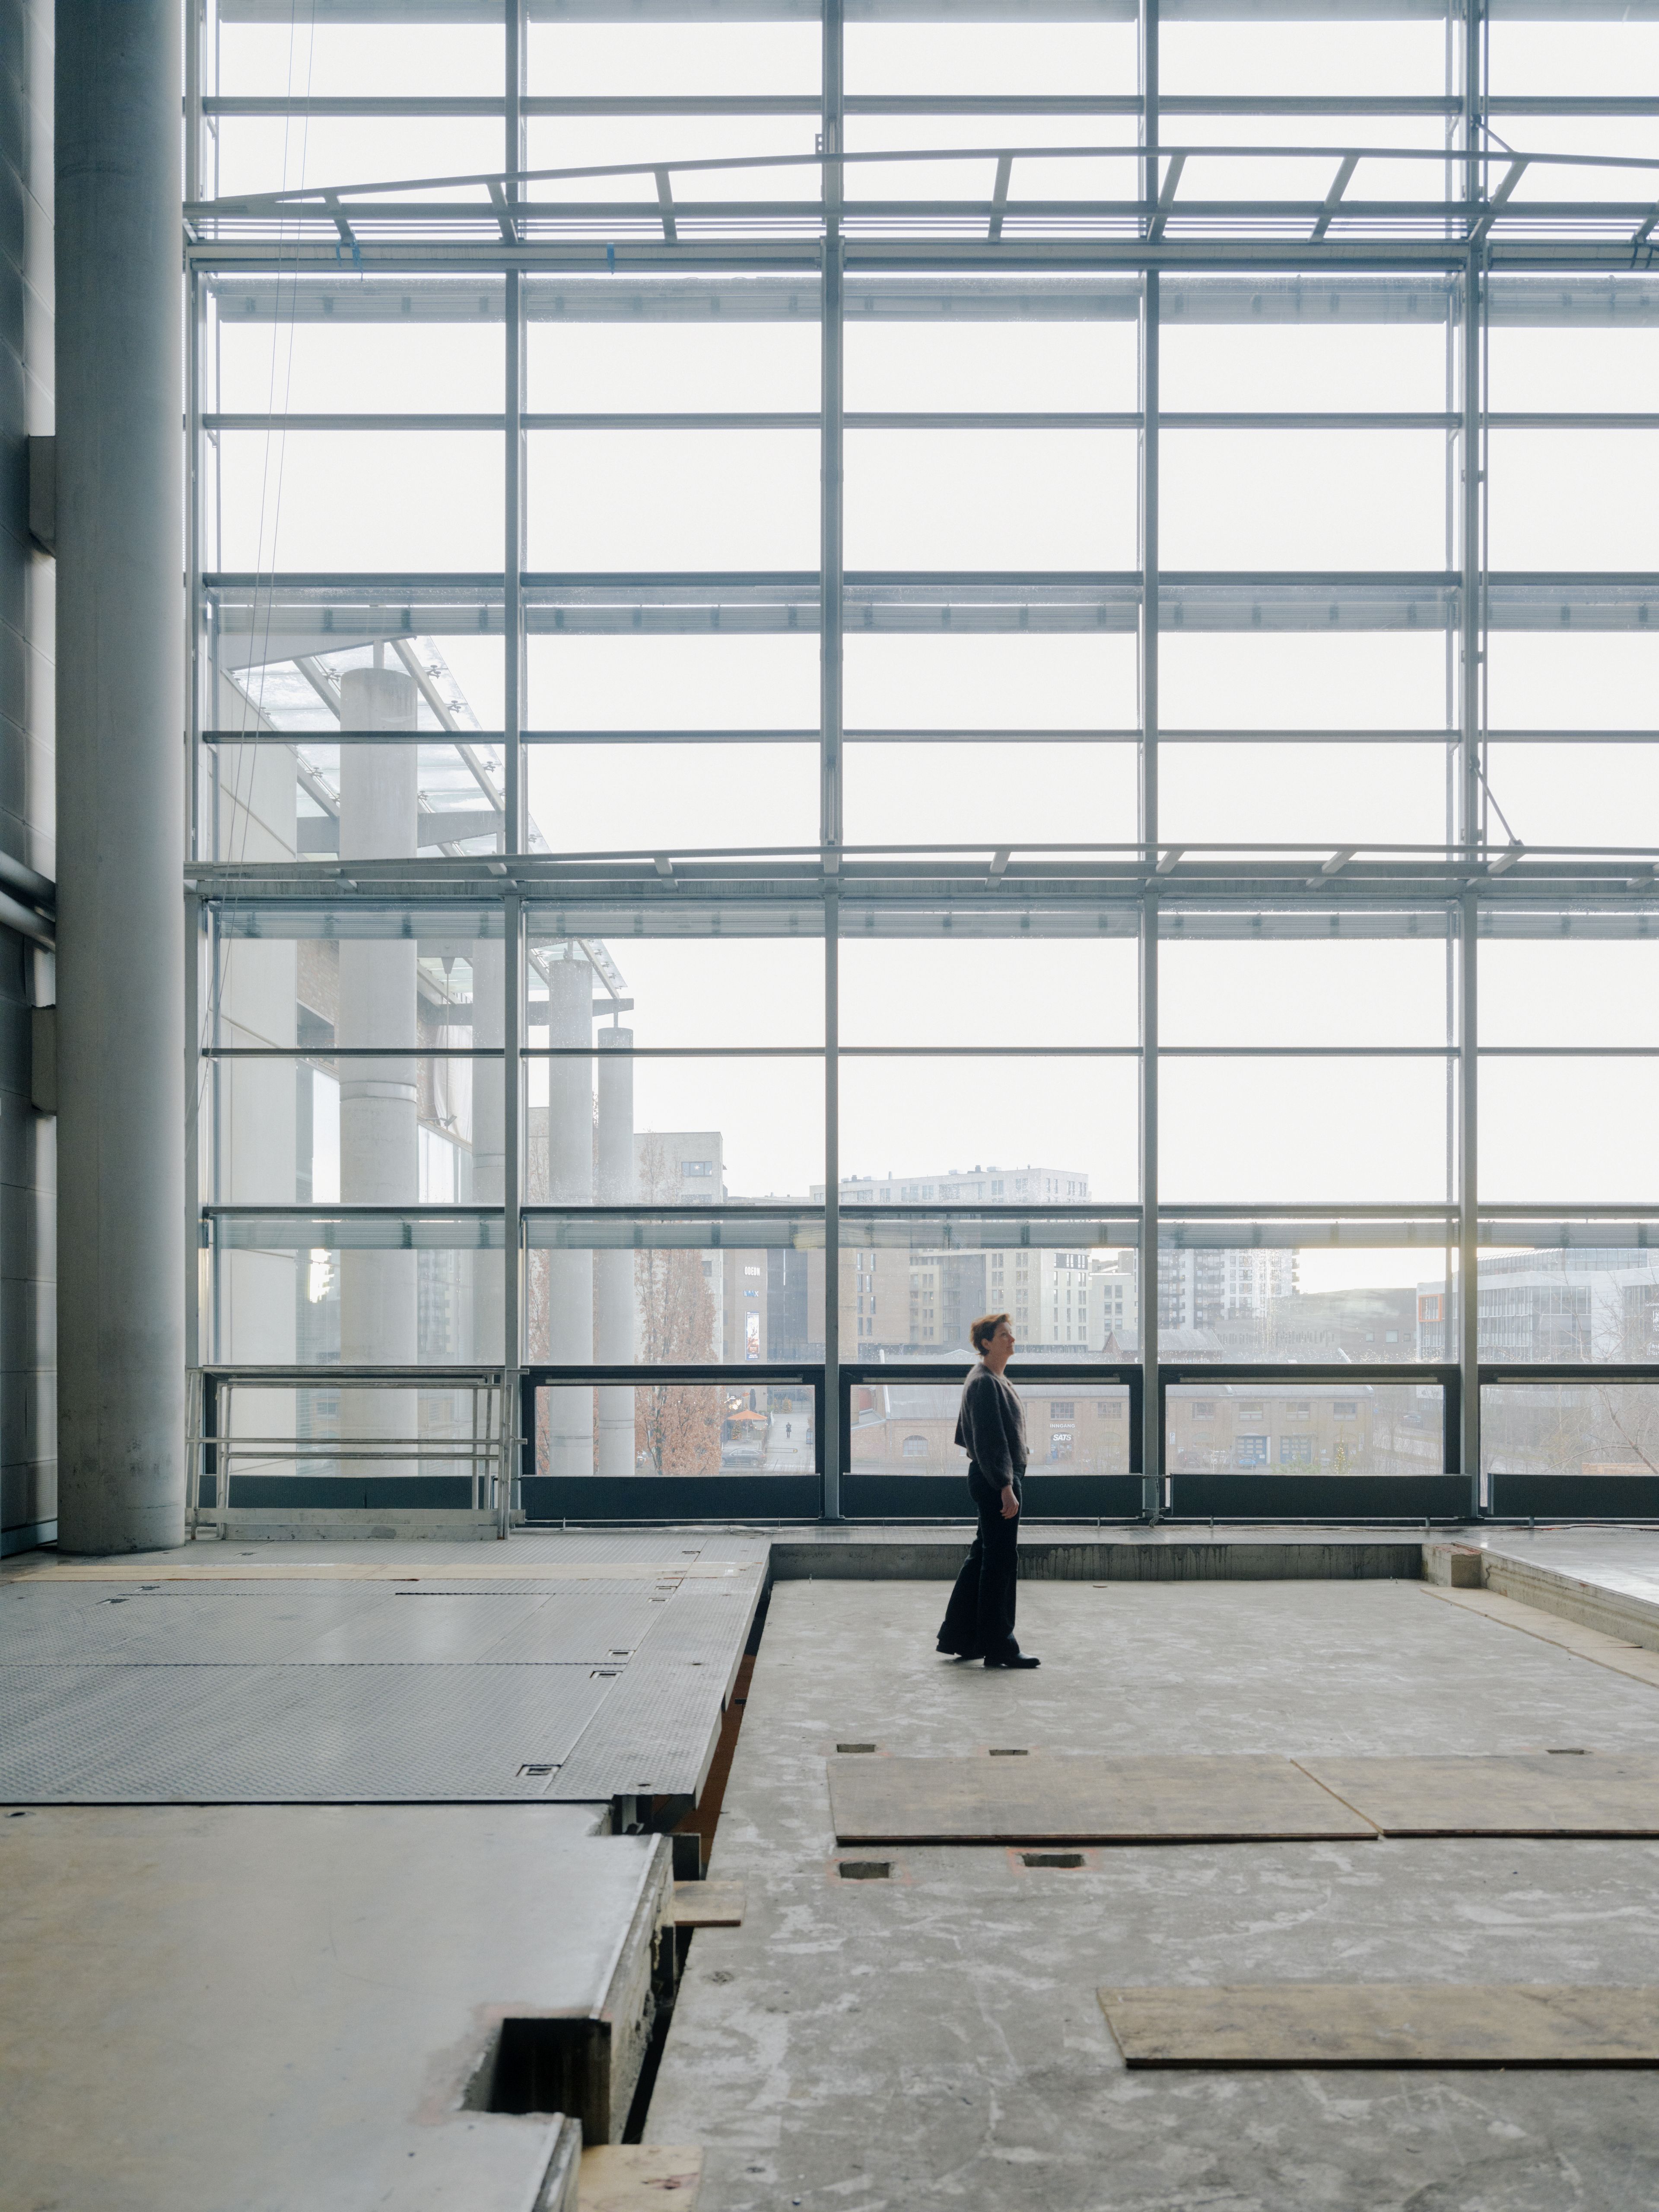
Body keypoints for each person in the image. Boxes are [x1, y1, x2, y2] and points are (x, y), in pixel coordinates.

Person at [935, 1311, 1040, 1670]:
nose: (1012, 1340)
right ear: (986, 1343)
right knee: (1000, 1563)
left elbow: (976, 1438)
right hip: (998, 1482)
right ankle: (1001, 1646)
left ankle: (961, 1637)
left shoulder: (992, 1378)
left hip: (995, 1479)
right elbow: (989, 1442)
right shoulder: (984, 1382)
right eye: (1005, 1335)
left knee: (984, 1556)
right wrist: (1006, 1486)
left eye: (1012, 1334)